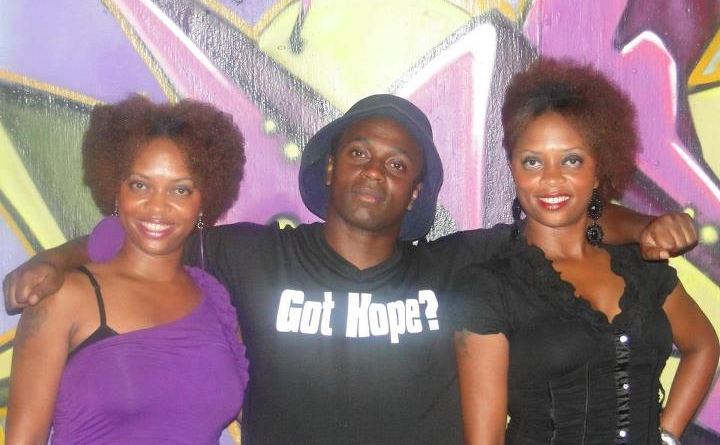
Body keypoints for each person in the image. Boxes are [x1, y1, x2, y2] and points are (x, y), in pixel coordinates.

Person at [3, 94, 697, 445]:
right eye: (360, 153)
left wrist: (645, 226)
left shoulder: (458, 264)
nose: (375, 171)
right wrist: (53, 259)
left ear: (416, 192)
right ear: (331, 166)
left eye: (398, 164)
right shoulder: (252, 255)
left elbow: (560, 218)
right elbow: (145, 231)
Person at [452, 59, 719, 445]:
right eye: (532, 162)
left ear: (598, 169)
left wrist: (667, 434)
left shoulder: (642, 267)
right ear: (513, 168)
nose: (551, 179)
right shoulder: (490, 288)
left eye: (571, 160)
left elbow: (703, 345)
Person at [6, 97, 250, 445]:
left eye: (180, 190)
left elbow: (259, 415)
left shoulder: (214, 299)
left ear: (204, 200)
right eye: (140, 185)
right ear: (116, 189)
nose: (157, 206)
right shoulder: (63, 298)